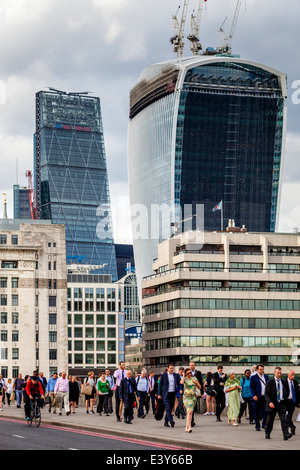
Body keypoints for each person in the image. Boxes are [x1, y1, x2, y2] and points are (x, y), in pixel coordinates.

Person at [265, 366, 291, 440]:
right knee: (270, 420)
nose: (279, 374)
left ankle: (286, 434)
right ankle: (267, 433)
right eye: (278, 373)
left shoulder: (283, 382)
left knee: (284, 419)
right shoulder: (270, 382)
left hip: (281, 403)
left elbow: (287, 391)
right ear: (274, 373)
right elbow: (266, 394)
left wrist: (285, 399)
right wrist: (270, 402)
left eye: (280, 373)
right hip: (273, 403)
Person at [158, 363, 181, 428]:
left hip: (172, 393)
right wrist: (159, 394)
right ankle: (171, 421)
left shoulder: (176, 375)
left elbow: (179, 384)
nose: (171, 369)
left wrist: (180, 389)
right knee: (168, 408)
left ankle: (165, 422)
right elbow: (160, 385)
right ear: (167, 368)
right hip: (166, 394)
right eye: (170, 368)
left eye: (172, 368)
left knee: (170, 408)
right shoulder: (163, 375)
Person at [181, 368, 201, 433]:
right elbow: (181, 382)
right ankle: (189, 427)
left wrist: (195, 383)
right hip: (186, 398)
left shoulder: (194, 378)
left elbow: (200, 387)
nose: (190, 374)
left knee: (190, 412)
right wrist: (183, 375)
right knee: (189, 412)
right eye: (188, 373)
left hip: (193, 397)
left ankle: (187, 427)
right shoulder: (185, 379)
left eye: (190, 373)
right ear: (186, 374)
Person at [250, 364, 269, 431]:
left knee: (265, 411)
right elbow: (251, 387)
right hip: (257, 397)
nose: (262, 370)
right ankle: (257, 425)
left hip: (264, 397)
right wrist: (254, 395)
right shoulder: (253, 377)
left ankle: (264, 424)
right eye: (260, 369)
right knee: (257, 412)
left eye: (262, 369)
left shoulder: (266, 377)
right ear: (257, 370)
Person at [284, 369, 300, 435]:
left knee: (289, 416)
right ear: (288, 375)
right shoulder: (284, 382)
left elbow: (298, 393)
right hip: (285, 402)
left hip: (293, 402)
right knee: (286, 416)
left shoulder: (295, 382)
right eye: (291, 375)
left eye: (294, 375)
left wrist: (298, 401)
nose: (293, 376)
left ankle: (291, 427)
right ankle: (290, 428)